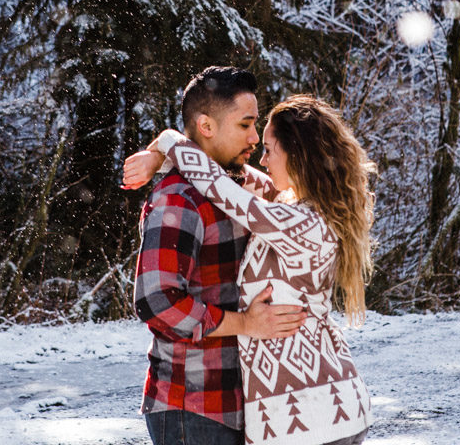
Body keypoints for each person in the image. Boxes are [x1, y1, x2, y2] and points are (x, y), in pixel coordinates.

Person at [127, 93, 375, 445]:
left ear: (298, 157)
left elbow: (221, 188)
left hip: (307, 417)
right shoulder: (297, 208)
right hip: (314, 410)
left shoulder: (298, 222)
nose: (261, 156)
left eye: (270, 150)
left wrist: (169, 140)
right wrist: (160, 154)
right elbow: (233, 180)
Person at [131, 66, 309, 445]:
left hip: (241, 403)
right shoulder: (179, 198)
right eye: (245, 125)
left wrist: (160, 150)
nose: (255, 137)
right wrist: (246, 324)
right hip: (191, 406)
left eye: (256, 124)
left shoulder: (242, 186)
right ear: (207, 127)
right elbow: (156, 300)